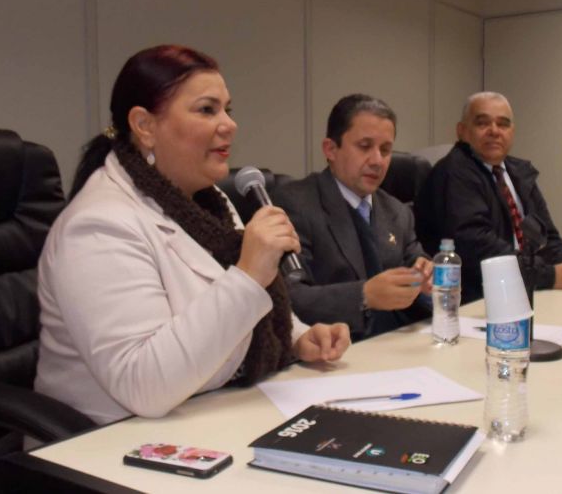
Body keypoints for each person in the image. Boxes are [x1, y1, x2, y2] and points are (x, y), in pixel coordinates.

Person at [35, 45, 350, 425]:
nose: (229, 124)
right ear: (144, 126)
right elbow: (144, 386)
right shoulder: (97, 226)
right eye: (207, 110)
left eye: (227, 109)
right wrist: (250, 273)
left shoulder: (209, 201)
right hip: (108, 439)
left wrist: (297, 337)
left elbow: (228, 309)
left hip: (207, 410)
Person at [415, 91, 562, 304]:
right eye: (482, 123)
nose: (494, 131)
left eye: (503, 124)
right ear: (462, 131)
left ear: (512, 132)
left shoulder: (518, 172)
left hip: (520, 288)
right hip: (473, 299)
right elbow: (478, 249)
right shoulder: (453, 173)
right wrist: (551, 276)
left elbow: (546, 239)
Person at [277, 94, 432, 341]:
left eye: (385, 150)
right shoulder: (294, 205)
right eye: (364, 146)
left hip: (399, 344)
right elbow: (288, 297)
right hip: (336, 349)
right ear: (330, 149)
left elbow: (417, 263)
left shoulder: (397, 211)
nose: (377, 161)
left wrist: (429, 277)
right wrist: (364, 296)